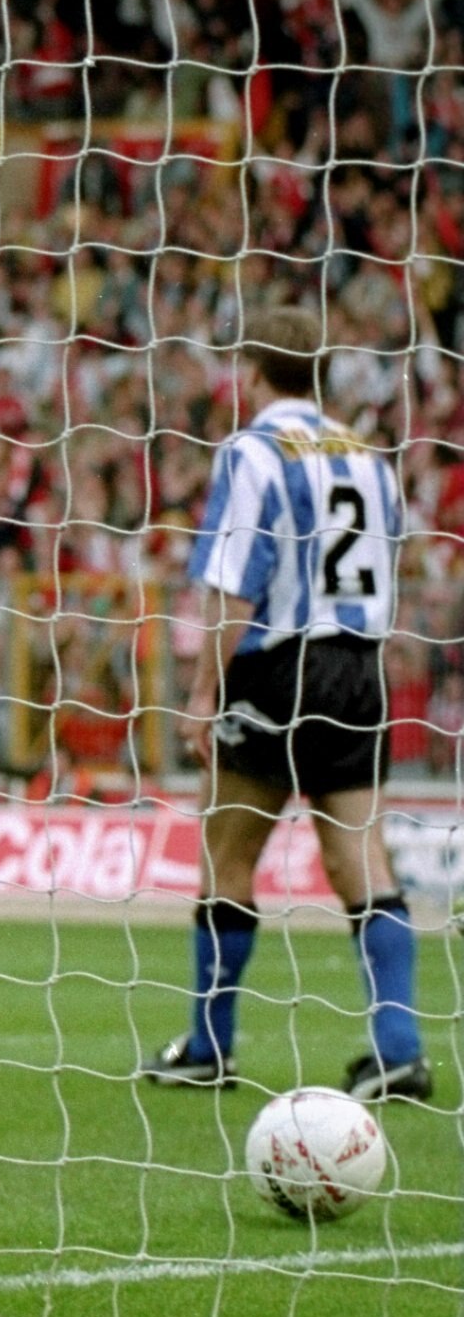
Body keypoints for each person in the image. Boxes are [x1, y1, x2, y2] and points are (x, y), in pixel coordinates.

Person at [139, 306, 427, 1104]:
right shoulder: (369, 456)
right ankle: (400, 1050)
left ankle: (209, 1046)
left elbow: (235, 584)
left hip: (277, 667)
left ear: (251, 372)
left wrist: (203, 692)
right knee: (359, 859)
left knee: (227, 855)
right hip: (357, 667)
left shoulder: (253, 450)